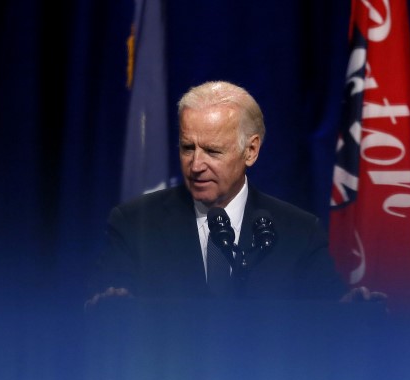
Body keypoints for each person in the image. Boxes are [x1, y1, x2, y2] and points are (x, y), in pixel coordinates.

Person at [88, 81, 383, 305]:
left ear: (251, 150)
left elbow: (327, 321)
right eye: (187, 147)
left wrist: (352, 315)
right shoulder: (134, 223)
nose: (196, 165)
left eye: (213, 151)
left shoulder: (298, 232)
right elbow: (106, 309)